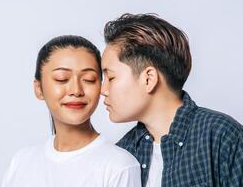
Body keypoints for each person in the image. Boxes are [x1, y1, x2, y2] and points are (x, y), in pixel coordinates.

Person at [100, 13, 243, 187]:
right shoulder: (123, 152)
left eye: (111, 77)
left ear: (148, 79)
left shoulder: (221, 136)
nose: (103, 90)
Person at [2, 35, 141, 187]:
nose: (76, 91)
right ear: (39, 89)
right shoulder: (21, 162)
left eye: (89, 79)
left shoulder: (119, 166)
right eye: (62, 79)